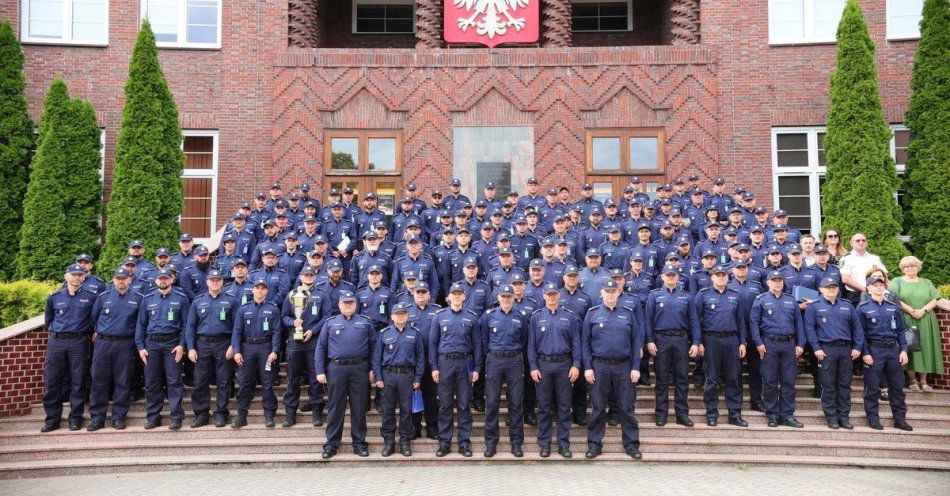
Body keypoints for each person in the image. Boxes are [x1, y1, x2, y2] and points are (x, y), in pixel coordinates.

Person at [582, 279, 644, 459]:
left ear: (618, 293)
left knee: (626, 407)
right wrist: (587, 368)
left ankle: (631, 445)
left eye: (613, 291)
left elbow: (635, 343)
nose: (610, 294)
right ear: (601, 293)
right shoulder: (592, 314)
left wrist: (636, 367)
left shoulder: (628, 314)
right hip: (599, 366)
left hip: (623, 367)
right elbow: (585, 342)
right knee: (598, 408)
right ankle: (594, 444)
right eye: (607, 291)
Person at [315, 290, 376, 458]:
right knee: (335, 407)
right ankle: (332, 443)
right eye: (345, 303)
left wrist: (373, 369)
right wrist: (320, 370)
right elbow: (321, 348)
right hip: (336, 369)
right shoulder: (330, 323)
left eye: (350, 303)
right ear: (339, 305)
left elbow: (374, 348)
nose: (348, 305)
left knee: (359, 406)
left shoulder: (365, 322)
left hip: (359, 368)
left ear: (355, 305)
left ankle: (359, 443)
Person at [40, 264, 97, 432]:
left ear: (84, 277)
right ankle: (52, 419)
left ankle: (75, 418)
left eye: (80, 275)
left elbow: (94, 319)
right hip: (57, 342)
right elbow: (48, 320)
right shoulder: (54, 297)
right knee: (52, 380)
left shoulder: (91, 297)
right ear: (66, 276)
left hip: (79, 342)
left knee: (78, 380)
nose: (77, 277)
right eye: (74, 274)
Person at [527, 282, 581, 458]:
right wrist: (533, 366)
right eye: (548, 295)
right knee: (543, 407)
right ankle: (545, 443)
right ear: (543, 296)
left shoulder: (569, 317)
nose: (551, 297)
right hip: (543, 365)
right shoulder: (536, 317)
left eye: (554, 294)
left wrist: (576, 365)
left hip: (564, 365)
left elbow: (576, 343)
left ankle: (563, 444)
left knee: (564, 406)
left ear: (559, 296)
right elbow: (531, 346)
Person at [690, 265, 748, 427]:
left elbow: (741, 321)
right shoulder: (703, 295)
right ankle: (711, 414)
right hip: (711, 340)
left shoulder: (736, 296)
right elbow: (696, 321)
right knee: (712, 379)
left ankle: (735, 414)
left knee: (733, 378)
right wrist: (698, 341)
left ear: (728, 278)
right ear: (712, 277)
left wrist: (742, 342)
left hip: (731, 340)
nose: (721, 277)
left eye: (723, 275)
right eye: (718, 275)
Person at [429, 283, 482, 457]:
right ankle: (444, 442)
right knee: (444, 404)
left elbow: (477, 345)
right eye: (454, 294)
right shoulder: (439, 316)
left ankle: (464, 443)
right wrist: (434, 367)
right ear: (449, 297)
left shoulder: (472, 317)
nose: (457, 297)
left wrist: (476, 368)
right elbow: (433, 344)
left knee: (464, 404)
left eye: (460, 294)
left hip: (465, 363)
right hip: (445, 363)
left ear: (464, 297)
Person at [804, 277, 864, 430]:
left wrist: (857, 347)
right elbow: (810, 329)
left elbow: (857, 328)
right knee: (828, 384)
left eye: (834, 287)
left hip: (846, 350)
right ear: (821, 289)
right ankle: (831, 417)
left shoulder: (847, 305)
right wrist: (816, 348)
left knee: (845, 384)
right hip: (826, 349)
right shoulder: (814, 307)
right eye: (828, 287)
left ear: (838, 289)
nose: (831, 289)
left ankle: (844, 416)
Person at [87, 268, 143, 431]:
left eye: (124, 278)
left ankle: (119, 417)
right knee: (99, 380)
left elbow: (140, 323)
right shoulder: (103, 297)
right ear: (113, 279)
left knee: (122, 381)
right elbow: (94, 318)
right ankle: (97, 418)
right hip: (103, 343)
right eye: (118, 278)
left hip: (125, 344)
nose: (121, 281)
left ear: (130, 280)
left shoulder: (138, 299)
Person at [135, 268, 190, 430]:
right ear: (156, 280)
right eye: (160, 278)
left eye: (166, 278)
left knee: (174, 381)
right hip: (151, 345)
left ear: (171, 280)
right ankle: (153, 417)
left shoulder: (181, 299)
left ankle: (176, 417)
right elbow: (141, 325)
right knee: (152, 382)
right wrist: (140, 347)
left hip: (172, 344)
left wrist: (182, 345)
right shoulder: (147, 299)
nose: (163, 281)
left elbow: (187, 325)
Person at [749, 271, 805, 428]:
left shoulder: (791, 300)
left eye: (780, 280)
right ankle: (772, 414)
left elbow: (799, 324)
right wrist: (758, 343)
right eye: (774, 280)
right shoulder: (760, 300)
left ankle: (787, 415)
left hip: (788, 344)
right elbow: (753, 323)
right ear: (768, 282)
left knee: (788, 381)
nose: (777, 282)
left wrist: (800, 344)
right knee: (770, 381)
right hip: (769, 344)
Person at [184, 269, 239, 429]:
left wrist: (233, 346)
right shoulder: (198, 301)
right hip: (202, 345)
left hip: (223, 343)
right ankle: (201, 414)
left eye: (218, 280)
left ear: (222, 282)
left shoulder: (232, 301)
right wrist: (191, 348)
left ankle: (221, 413)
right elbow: (190, 326)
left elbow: (237, 327)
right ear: (207, 282)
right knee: (200, 380)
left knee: (223, 380)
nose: (215, 282)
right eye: (212, 280)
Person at [478, 286, 527, 458]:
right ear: (498, 298)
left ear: (514, 298)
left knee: (515, 403)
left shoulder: (520, 317)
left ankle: (516, 442)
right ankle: (491, 443)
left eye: (509, 296)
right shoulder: (489, 316)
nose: (506, 299)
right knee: (492, 403)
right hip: (494, 360)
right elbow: (484, 340)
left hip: (514, 360)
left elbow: (525, 340)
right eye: (503, 296)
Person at [859, 275, 913, 431]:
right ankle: (873, 418)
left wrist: (903, 350)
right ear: (868, 288)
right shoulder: (862, 308)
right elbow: (859, 334)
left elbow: (902, 331)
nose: (878, 287)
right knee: (872, 386)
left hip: (893, 349)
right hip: (874, 349)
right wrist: (865, 353)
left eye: (881, 284)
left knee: (897, 386)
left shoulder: (893, 307)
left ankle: (899, 419)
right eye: (875, 285)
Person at [373, 302, 425, 457]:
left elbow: (420, 358)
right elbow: (377, 358)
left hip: (407, 376)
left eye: (403, 313)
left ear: (407, 316)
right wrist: (378, 377)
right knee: (388, 410)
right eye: (397, 314)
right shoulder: (384, 333)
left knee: (406, 411)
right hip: (388, 376)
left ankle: (404, 442)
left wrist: (418, 377)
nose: (400, 316)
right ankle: (389, 442)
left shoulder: (415, 334)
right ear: (392, 316)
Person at [645, 265, 694, 427]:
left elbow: (693, 321)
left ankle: (682, 414)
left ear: (678, 277)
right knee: (662, 378)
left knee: (682, 378)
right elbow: (648, 321)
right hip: (661, 340)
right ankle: (661, 413)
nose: (671, 278)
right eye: (668, 275)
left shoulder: (687, 297)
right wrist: (649, 341)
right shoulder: (654, 295)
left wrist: (695, 342)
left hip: (681, 339)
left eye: (674, 275)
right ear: (662, 277)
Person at [231, 278, 282, 429]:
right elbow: (237, 332)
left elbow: (277, 332)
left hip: (265, 348)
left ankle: (269, 414)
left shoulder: (273, 309)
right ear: (252, 290)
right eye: (257, 288)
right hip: (247, 348)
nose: (260, 290)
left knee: (267, 383)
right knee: (245, 382)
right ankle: (241, 415)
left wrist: (274, 351)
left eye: (262, 288)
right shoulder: (243, 309)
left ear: (266, 291)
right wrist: (236, 351)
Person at [889, 256, 942, 392]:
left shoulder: (926, 282)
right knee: (911, 347)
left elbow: (934, 299)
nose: (910, 268)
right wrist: (911, 310)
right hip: (907, 318)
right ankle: (912, 380)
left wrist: (923, 310)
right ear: (902, 269)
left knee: (925, 347)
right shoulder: (897, 281)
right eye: (906, 266)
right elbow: (895, 299)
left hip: (925, 319)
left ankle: (924, 381)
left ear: (918, 267)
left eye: (912, 266)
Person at [839, 233, 887, 305]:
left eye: (863, 240)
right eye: (858, 240)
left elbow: (884, 275)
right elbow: (845, 279)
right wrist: (866, 290)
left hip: (877, 295)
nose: (861, 242)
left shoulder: (875, 258)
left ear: (867, 243)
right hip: (856, 296)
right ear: (851, 243)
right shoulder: (846, 259)